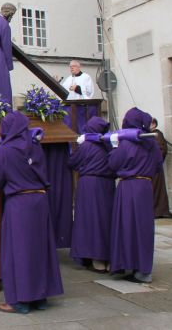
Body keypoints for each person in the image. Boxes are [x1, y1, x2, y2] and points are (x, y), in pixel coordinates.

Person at [0, 111, 63, 314]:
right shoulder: (35, 145)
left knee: (18, 252)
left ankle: (20, 300)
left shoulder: (3, 151)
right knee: (39, 250)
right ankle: (39, 296)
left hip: (19, 203)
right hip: (40, 201)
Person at [109, 108, 164, 284]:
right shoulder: (151, 143)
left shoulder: (126, 143)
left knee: (127, 226)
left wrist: (115, 146)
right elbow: (157, 165)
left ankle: (131, 265)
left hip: (128, 186)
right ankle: (141, 268)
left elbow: (113, 163)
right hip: (145, 186)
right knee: (142, 228)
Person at [69, 117, 115, 273]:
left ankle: (96, 257)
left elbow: (72, 162)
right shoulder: (109, 145)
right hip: (107, 185)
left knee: (91, 221)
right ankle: (108, 258)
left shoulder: (87, 146)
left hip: (89, 186)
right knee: (106, 220)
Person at [150, 117, 172, 218]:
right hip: (151, 168)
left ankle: (159, 211)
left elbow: (162, 150)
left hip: (155, 167)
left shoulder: (157, 134)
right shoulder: (150, 135)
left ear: (154, 124)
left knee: (156, 189)